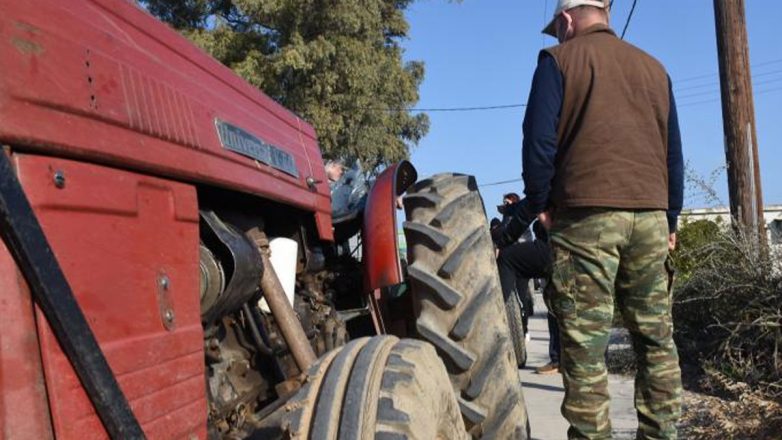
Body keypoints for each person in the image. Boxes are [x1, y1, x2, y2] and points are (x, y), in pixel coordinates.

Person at [519, 1, 685, 438]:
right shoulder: (655, 69)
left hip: (586, 217)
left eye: (556, 28)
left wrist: (541, 203)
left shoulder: (557, 61)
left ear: (567, 20)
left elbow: (538, 144)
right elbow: (673, 155)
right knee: (655, 341)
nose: (557, 36)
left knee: (585, 348)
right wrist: (669, 219)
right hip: (650, 218)